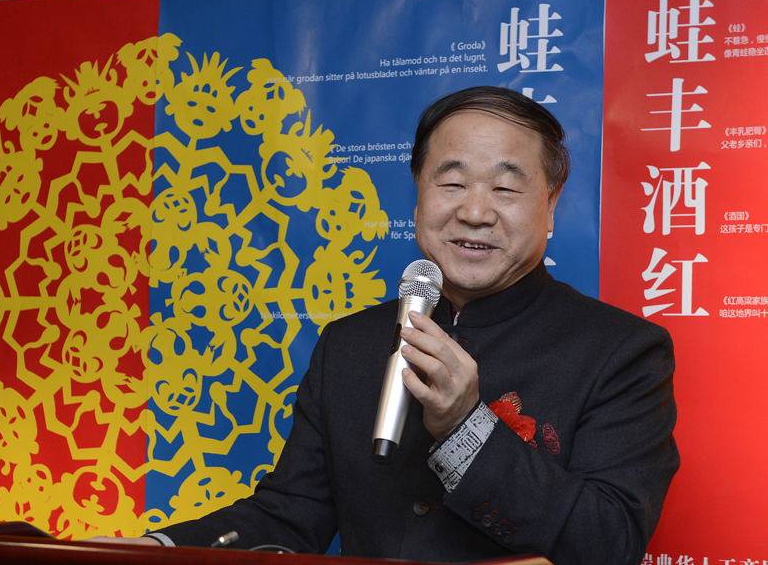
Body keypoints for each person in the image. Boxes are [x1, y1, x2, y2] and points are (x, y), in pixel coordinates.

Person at [96, 86, 679, 565]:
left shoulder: (620, 351)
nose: (474, 210)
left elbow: (609, 542)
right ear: (419, 194)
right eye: (450, 182)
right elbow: (290, 514)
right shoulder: (349, 343)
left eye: (505, 187)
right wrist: (155, 547)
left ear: (551, 204)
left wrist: (465, 427)